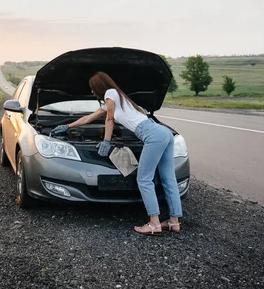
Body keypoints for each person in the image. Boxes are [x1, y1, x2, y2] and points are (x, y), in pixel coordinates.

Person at [50, 71, 182, 236]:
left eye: (92, 88)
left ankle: (154, 223)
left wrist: (106, 141)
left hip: (153, 135)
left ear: (99, 86)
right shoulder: (117, 98)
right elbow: (88, 118)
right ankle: (173, 222)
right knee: (168, 179)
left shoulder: (110, 93)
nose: (92, 92)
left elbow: (110, 119)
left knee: (144, 179)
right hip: (163, 133)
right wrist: (68, 126)